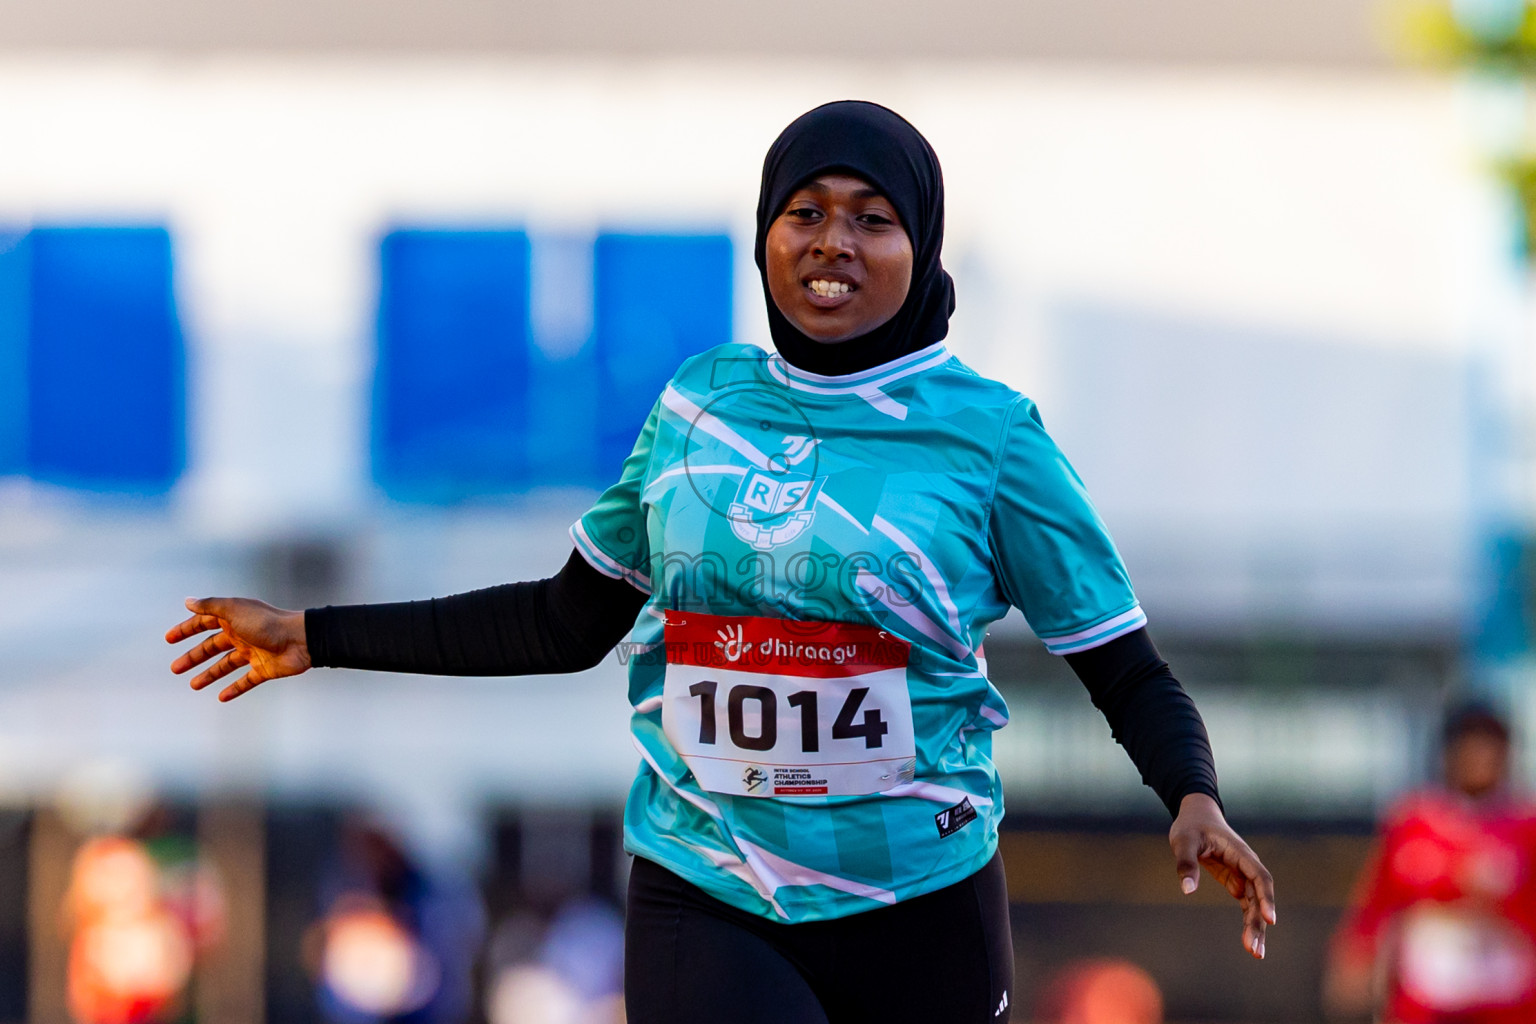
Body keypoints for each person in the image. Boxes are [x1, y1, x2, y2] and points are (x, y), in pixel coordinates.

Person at [166, 100, 1276, 1024]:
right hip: (708, 882)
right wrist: (314, 636)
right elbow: (563, 623)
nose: (833, 241)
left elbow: (1124, 666)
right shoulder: (700, 405)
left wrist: (1192, 791)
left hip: (917, 896)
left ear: (922, 244)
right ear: (764, 235)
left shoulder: (991, 439)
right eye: (805, 213)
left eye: (872, 219)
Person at [1325, 702, 1536, 1024]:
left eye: (1489, 747)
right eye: (1469, 746)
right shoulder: (1413, 822)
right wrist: (1355, 957)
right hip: (1425, 1001)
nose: (1479, 758)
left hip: (1510, 1001)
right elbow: (1380, 901)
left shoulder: (1527, 827)